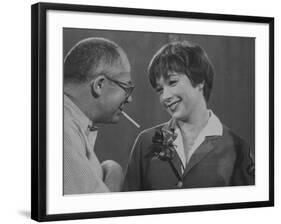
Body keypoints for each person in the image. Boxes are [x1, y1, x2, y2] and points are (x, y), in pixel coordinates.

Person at [123, 41, 254, 191]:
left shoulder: (237, 147)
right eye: (159, 90)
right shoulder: (145, 142)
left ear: (199, 81)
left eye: (172, 82)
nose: (165, 96)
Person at [63, 37, 135, 195]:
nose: (130, 99)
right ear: (99, 85)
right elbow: (97, 213)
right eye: (127, 88)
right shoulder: (62, 131)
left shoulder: (68, 122)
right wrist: (114, 171)